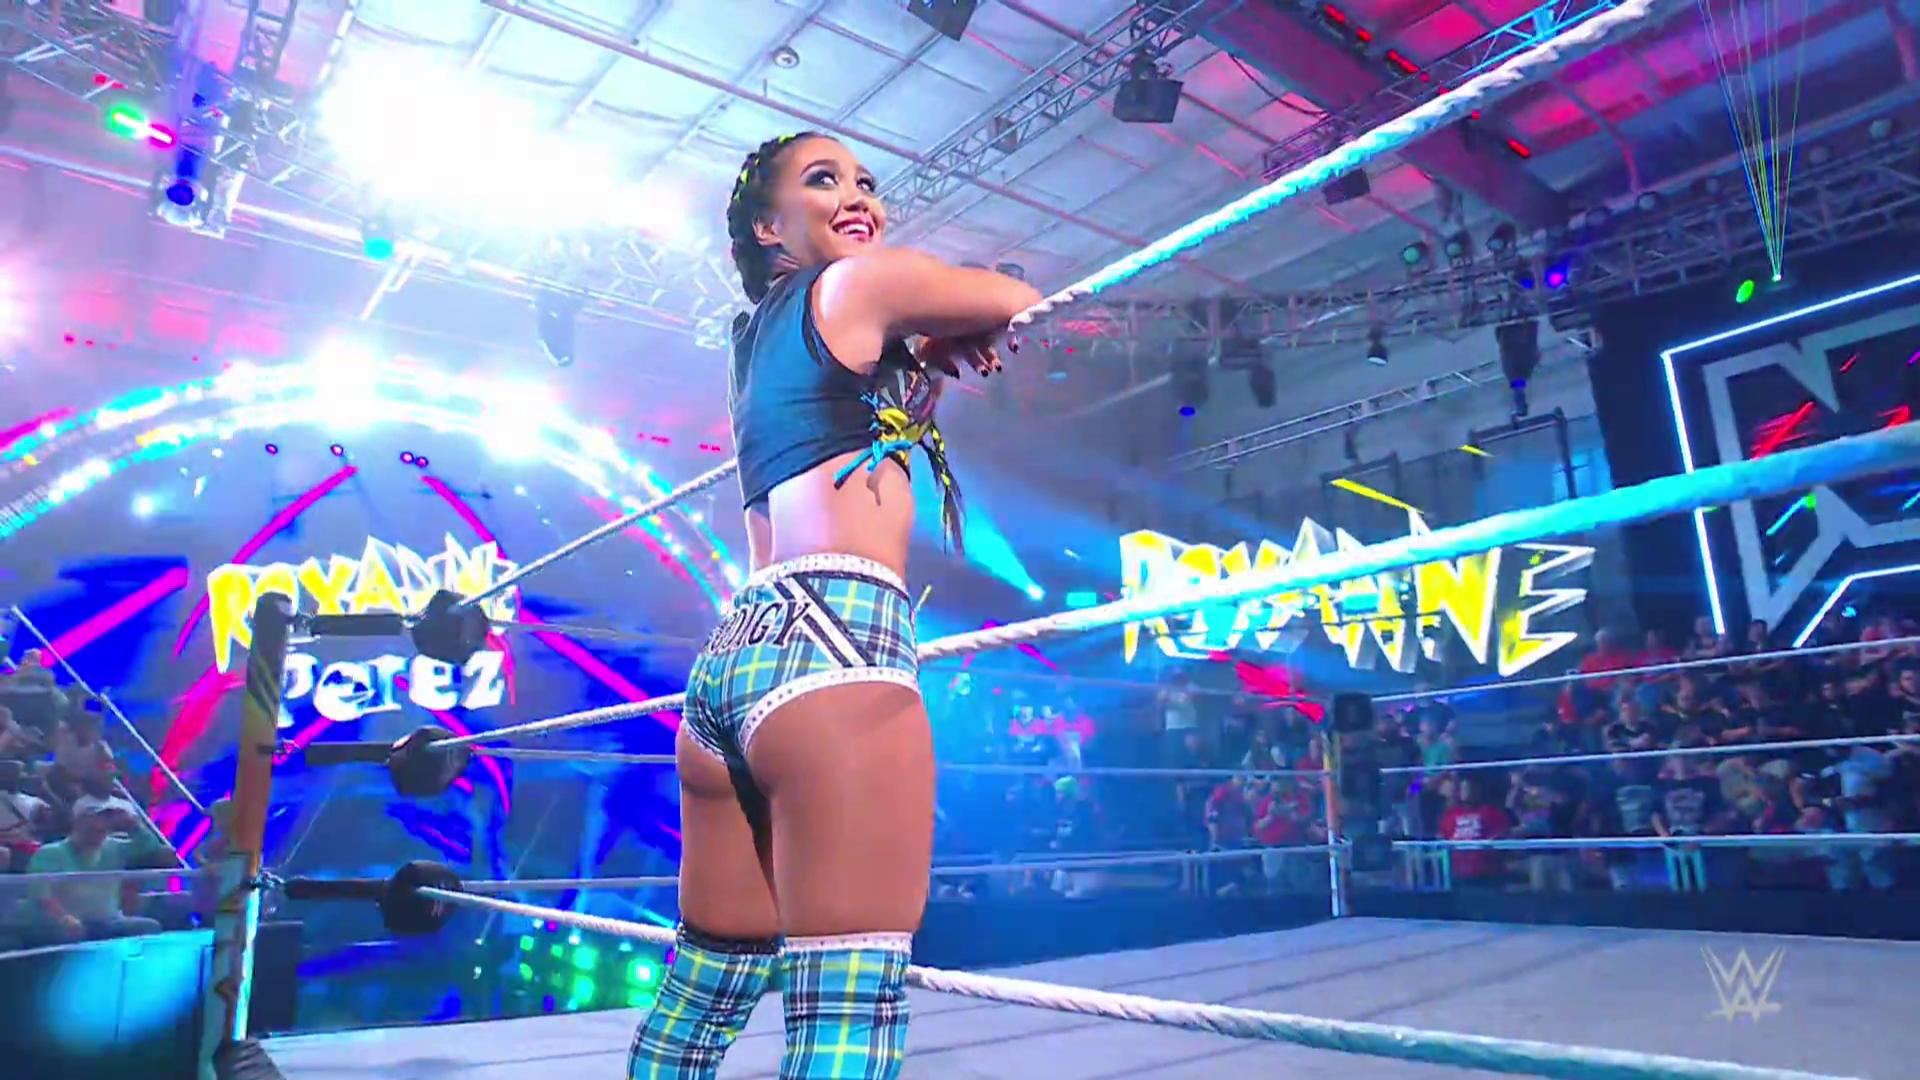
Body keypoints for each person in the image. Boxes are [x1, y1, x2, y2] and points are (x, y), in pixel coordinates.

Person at [626, 132, 1040, 1080]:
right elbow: (1010, 297)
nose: (857, 196)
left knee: (700, 1001)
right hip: (835, 647)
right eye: (824, 180)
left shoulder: (752, 347)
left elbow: (859, 413)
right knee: (845, 1017)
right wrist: (964, 310)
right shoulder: (860, 286)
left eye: (865, 181)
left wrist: (923, 351)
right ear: (769, 227)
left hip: (737, 655)